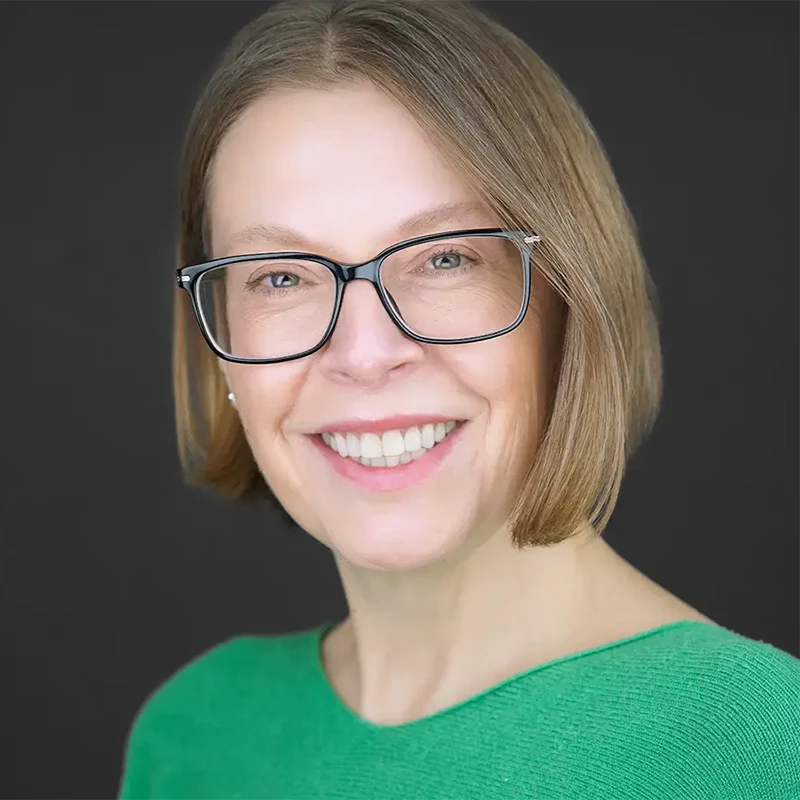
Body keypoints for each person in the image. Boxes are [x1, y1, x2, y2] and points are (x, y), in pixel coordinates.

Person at [117, 1, 800, 797]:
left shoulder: (755, 744)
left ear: (568, 299)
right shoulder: (197, 736)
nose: (365, 356)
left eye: (445, 259)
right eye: (281, 277)